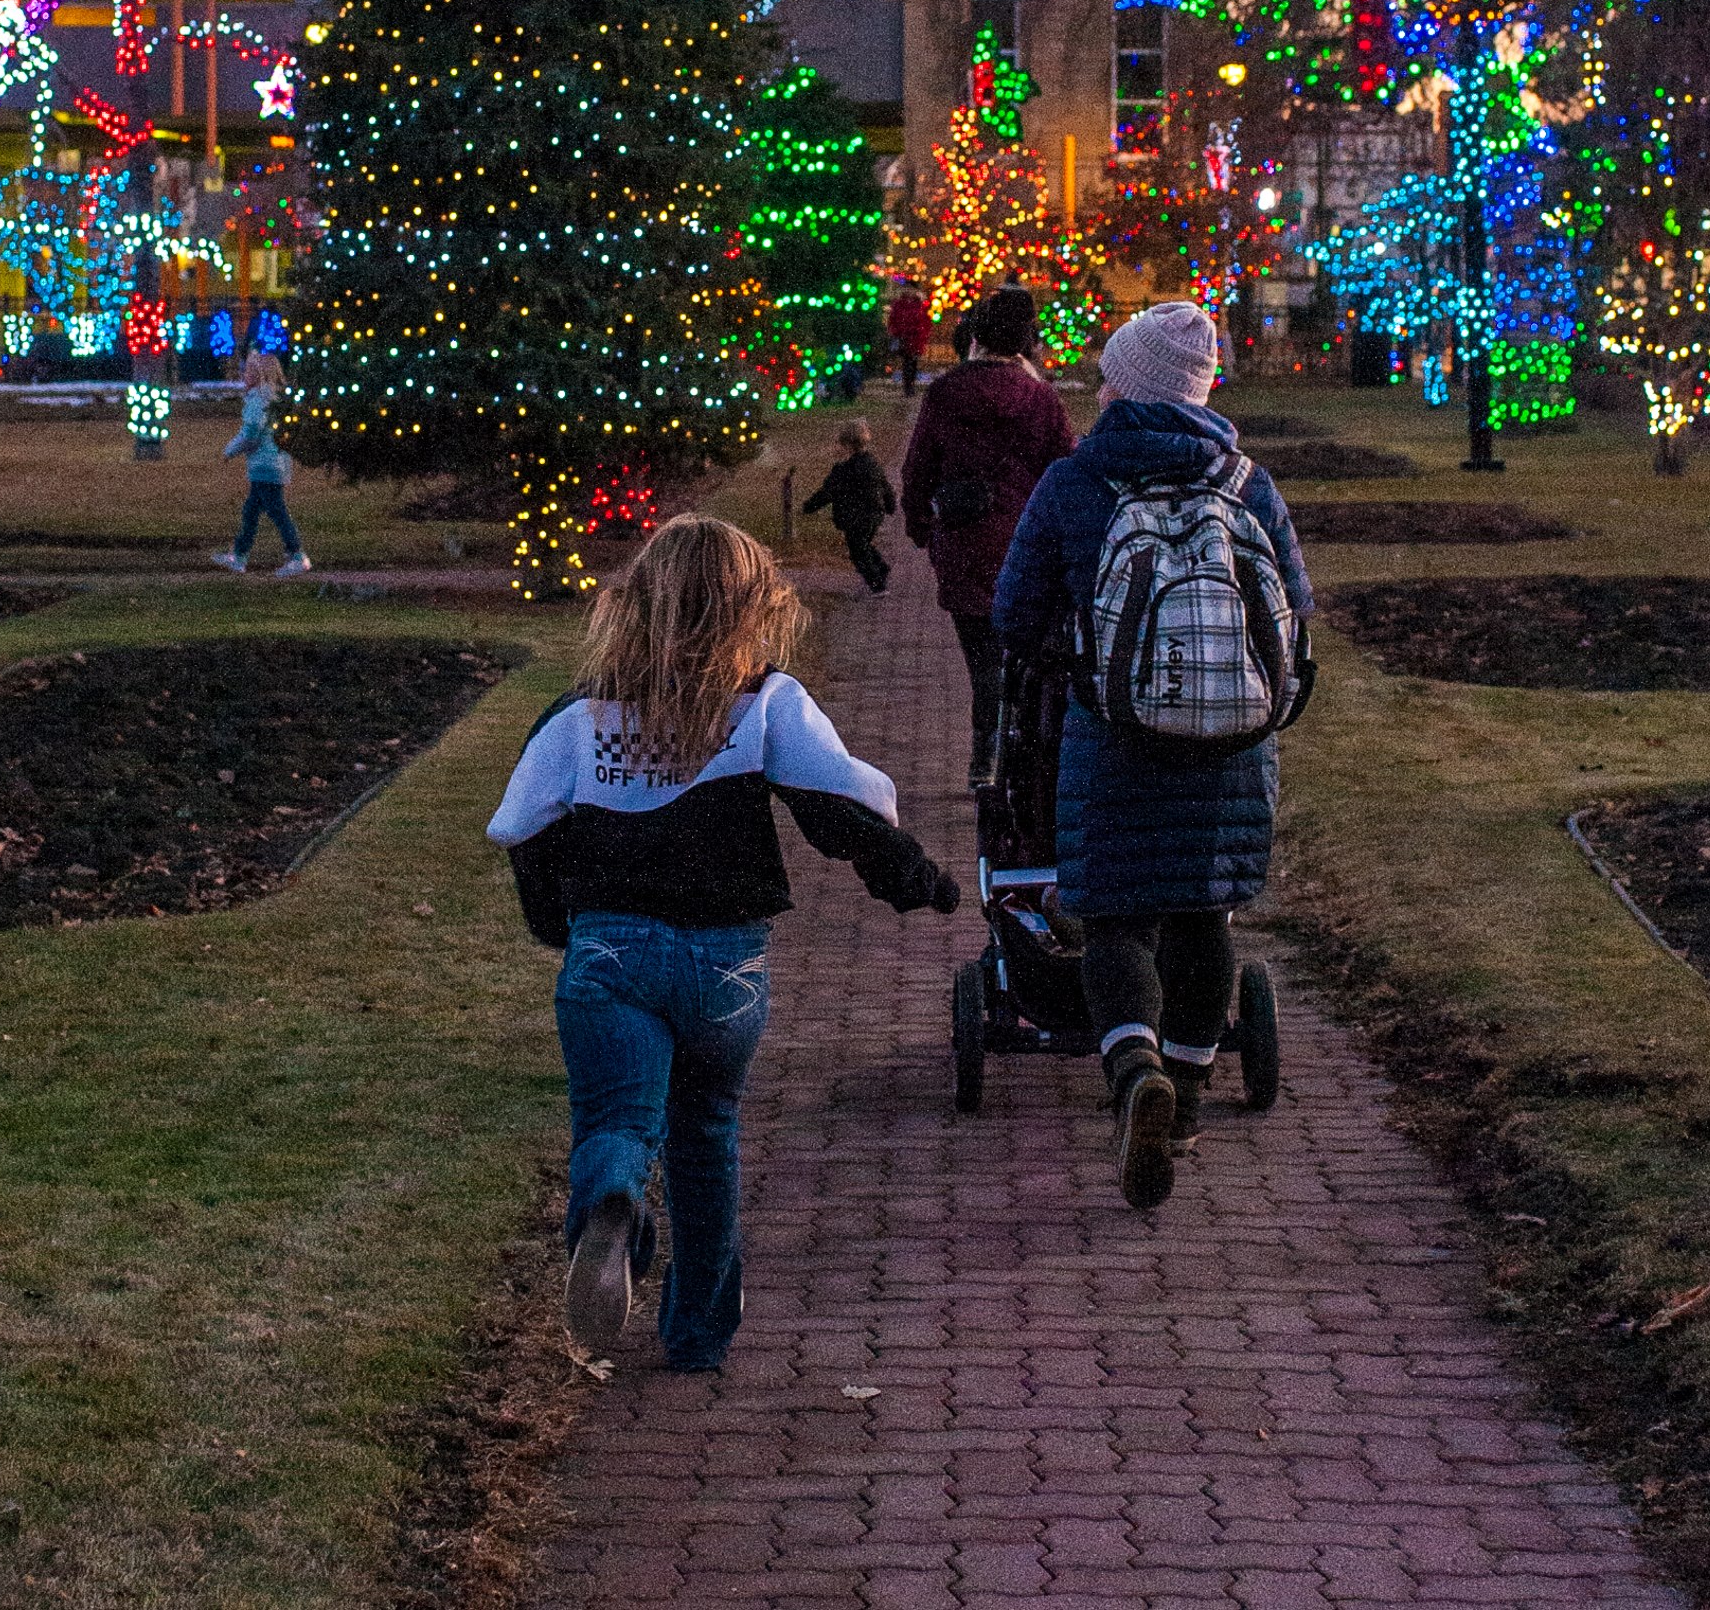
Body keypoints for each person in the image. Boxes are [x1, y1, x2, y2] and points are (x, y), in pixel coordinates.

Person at [487, 515, 958, 1371]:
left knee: (616, 1119)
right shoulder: (767, 703)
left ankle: (614, 1207)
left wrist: (558, 925)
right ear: (754, 606)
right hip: (724, 967)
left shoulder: (581, 713)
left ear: (639, 599)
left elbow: (523, 828)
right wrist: (913, 877)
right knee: (706, 1129)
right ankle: (698, 1332)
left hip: (610, 954)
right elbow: (838, 810)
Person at [993, 299, 1316, 1213]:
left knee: (1116, 915)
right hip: (1232, 743)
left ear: (1127, 388)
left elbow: (1016, 615)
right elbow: (1294, 607)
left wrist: (1077, 648)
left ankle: (1134, 1070)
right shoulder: (1247, 483)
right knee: (1203, 914)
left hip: (1115, 733)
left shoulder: (1076, 481)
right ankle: (1187, 1094)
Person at [899, 285, 1076, 787]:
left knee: (981, 661)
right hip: (1026, 549)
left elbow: (918, 470)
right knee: (1022, 660)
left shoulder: (947, 393)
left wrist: (920, 529)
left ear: (977, 335)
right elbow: (1063, 470)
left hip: (963, 544)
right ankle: (1012, 761)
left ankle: (985, 760)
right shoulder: (1042, 399)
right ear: (1025, 343)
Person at [211, 351, 311, 576]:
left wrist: (229, 450)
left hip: (265, 465)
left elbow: (250, 435)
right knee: (251, 511)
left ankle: (297, 556)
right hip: (276, 463)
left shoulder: (259, 401)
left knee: (277, 511)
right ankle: (239, 555)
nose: (243, 375)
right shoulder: (276, 400)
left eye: (247, 371)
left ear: (258, 375)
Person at [800, 420, 894, 592]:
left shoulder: (843, 470)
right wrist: (890, 505)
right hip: (874, 514)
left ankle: (877, 584)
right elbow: (885, 486)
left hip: (855, 517)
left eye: (840, 444)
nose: (837, 448)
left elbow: (828, 492)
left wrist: (809, 507)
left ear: (847, 445)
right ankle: (881, 568)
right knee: (863, 544)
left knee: (858, 552)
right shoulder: (872, 463)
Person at [885, 284, 933, 396]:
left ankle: (910, 386)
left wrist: (923, 333)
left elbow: (925, 321)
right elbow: (893, 320)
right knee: (907, 362)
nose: (909, 291)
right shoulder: (899, 304)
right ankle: (908, 387)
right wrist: (897, 332)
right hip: (904, 338)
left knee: (913, 363)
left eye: (911, 289)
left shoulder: (919, 304)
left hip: (916, 338)